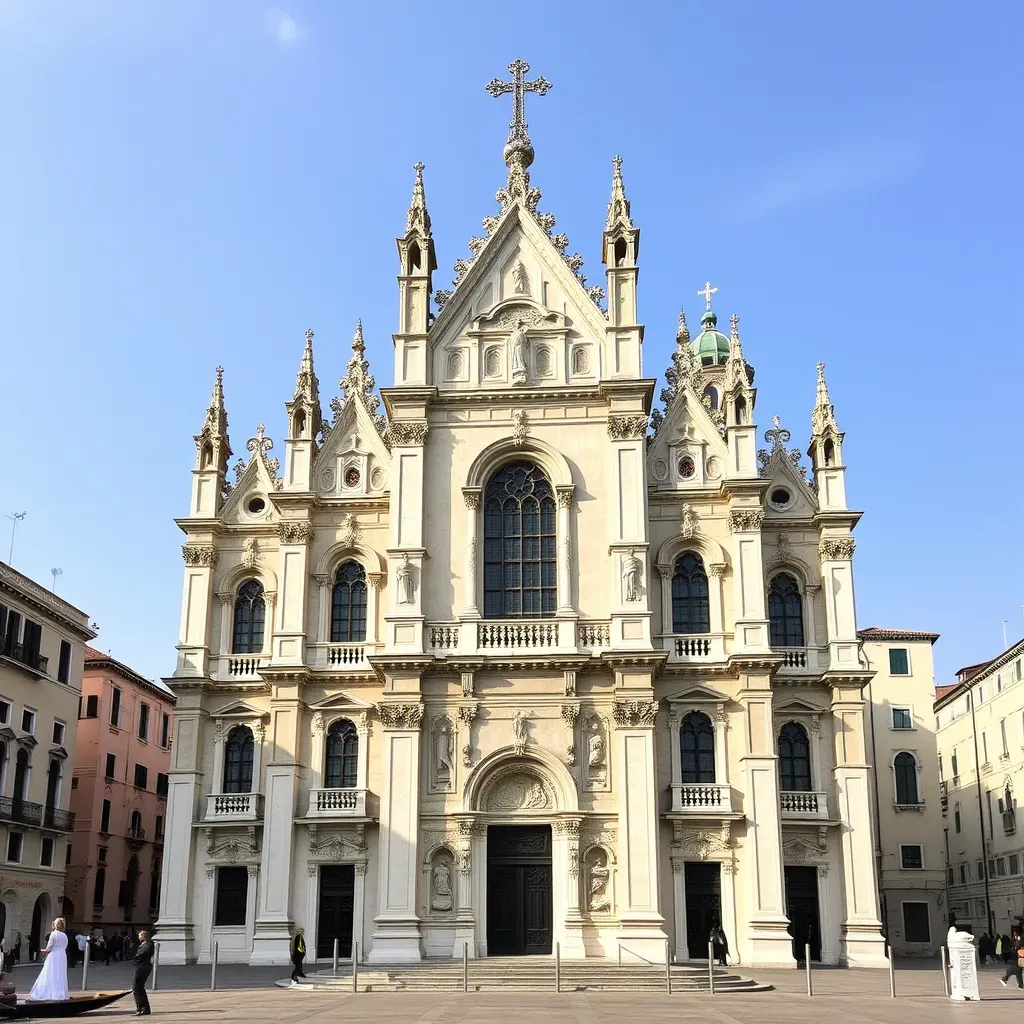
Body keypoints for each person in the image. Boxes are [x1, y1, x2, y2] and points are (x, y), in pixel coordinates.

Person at [28, 917, 69, 1002]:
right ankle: (60, 992)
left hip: (53, 956)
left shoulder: (53, 934)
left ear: (55, 925)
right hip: (62, 956)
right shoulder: (64, 936)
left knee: (50, 973)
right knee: (60, 974)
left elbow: (49, 948)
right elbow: (64, 946)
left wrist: (41, 950)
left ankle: (49, 992)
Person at [132, 929, 153, 1016]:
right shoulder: (145, 944)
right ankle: (144, 1008)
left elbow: (141, 955)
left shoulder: (147, 945)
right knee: (139, 987)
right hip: (143, 966)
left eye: (140, 935)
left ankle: (140, 1008)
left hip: (143, 966)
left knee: (136, 987)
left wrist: (135, 957)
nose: (139, 937)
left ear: (144, 936)